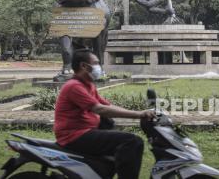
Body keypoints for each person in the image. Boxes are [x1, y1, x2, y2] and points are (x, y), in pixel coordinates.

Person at [54, 49, 155, 179]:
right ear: (84, 66)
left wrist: (139, 112)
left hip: (86, 131)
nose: (99, 67)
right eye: (96, 63)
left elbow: (107, 105)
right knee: (132, 142)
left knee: (116, 134)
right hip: (73, 136)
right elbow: (100, 109)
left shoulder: (88, 85)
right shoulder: (74, 86)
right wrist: (139, 114)